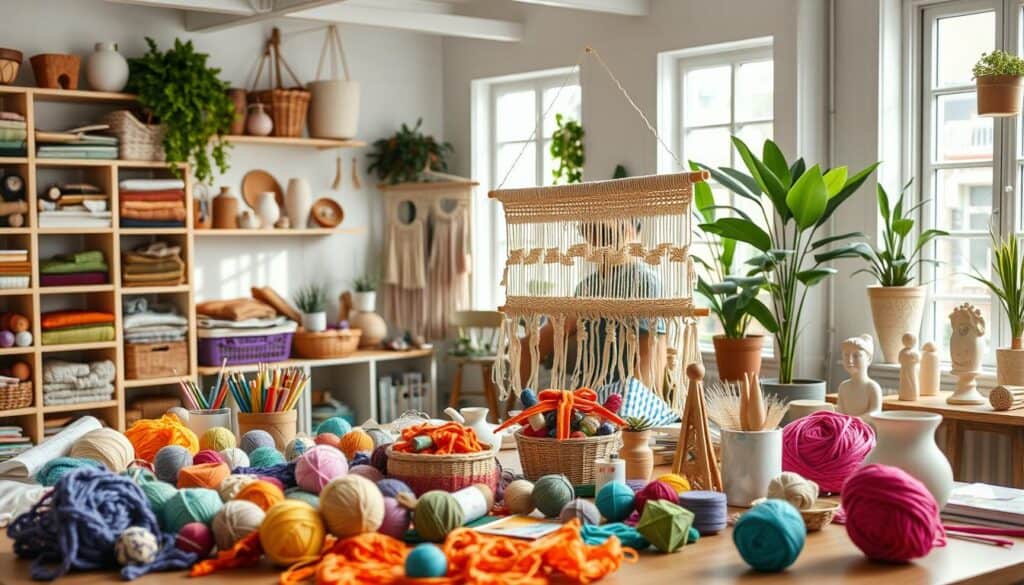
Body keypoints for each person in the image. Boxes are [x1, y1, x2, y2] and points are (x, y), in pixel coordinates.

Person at [518, 218, 666, 392]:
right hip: (587, 400)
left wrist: (625, 410)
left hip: (625, 403)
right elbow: (531, 346)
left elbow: (650, 357)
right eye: (591, 232)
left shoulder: (642, 281)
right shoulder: (587, 286)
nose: (596, 240)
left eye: (605, 232)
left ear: (631, 233)